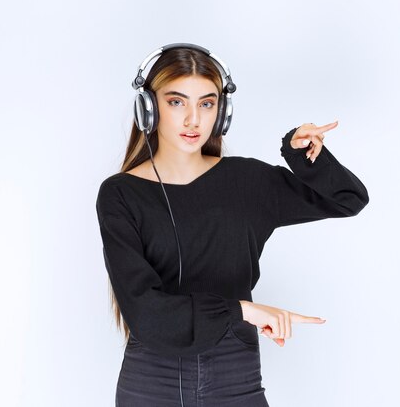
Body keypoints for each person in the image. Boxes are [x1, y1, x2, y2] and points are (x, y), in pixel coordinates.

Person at [95, 43, 370, 407]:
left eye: (207, 103)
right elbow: (147, 314)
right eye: (177, 102)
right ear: (148, 108)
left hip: (235, 374)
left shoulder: (247, 181)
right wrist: (243, 310)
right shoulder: (121, 195)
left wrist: (301, 156)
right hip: (151, 381)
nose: (193, 119)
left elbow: (348, 198)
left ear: (221, 112)